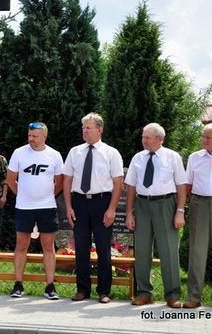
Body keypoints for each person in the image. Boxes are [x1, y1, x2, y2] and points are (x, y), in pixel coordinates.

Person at [63, 113, 123, 304]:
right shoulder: (75, 152)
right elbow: (67, 180)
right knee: (81, 248)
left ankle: (104, 291)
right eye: (83, 128)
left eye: (88, 128)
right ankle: (82, 290)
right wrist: (69, 206)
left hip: (102, 202)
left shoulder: (111, 153)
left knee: (104, 248)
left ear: (99, 129)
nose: (84, 131)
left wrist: (112, 209)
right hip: (79, 202)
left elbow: (118, 182)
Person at [125, 123, 186, 308]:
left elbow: (181, 186)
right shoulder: (138, 158)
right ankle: (144, 293)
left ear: (160, 139)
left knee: (168, 250)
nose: (143, 140)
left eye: (147, 137)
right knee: (142, 250)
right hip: (142, 204)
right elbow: (131, 187)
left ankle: (172, 294)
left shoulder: (172, 157)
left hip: (166, 204)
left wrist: (180, 212)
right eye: (143, 137)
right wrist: (129, 213)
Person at [7, 122, 64, 300]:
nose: (31, 139)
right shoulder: (19, 153)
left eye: (35, 136)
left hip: (47, 207)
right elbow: (10, 179)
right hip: (24, 207)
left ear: (44, 137)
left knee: (48, 246)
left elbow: (60, 181)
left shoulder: (54, 155)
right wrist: (22, 194)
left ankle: (49, 286)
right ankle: (18, 285)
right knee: (21, 245)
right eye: (29, 136)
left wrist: (47, 196)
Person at [183, 123, 212, 308]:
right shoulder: (194, 158)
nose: (204, 140)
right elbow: (188, 185)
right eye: (203, 136)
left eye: (208, 138)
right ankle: (193, 297)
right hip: (200, 203)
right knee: (197, 252)